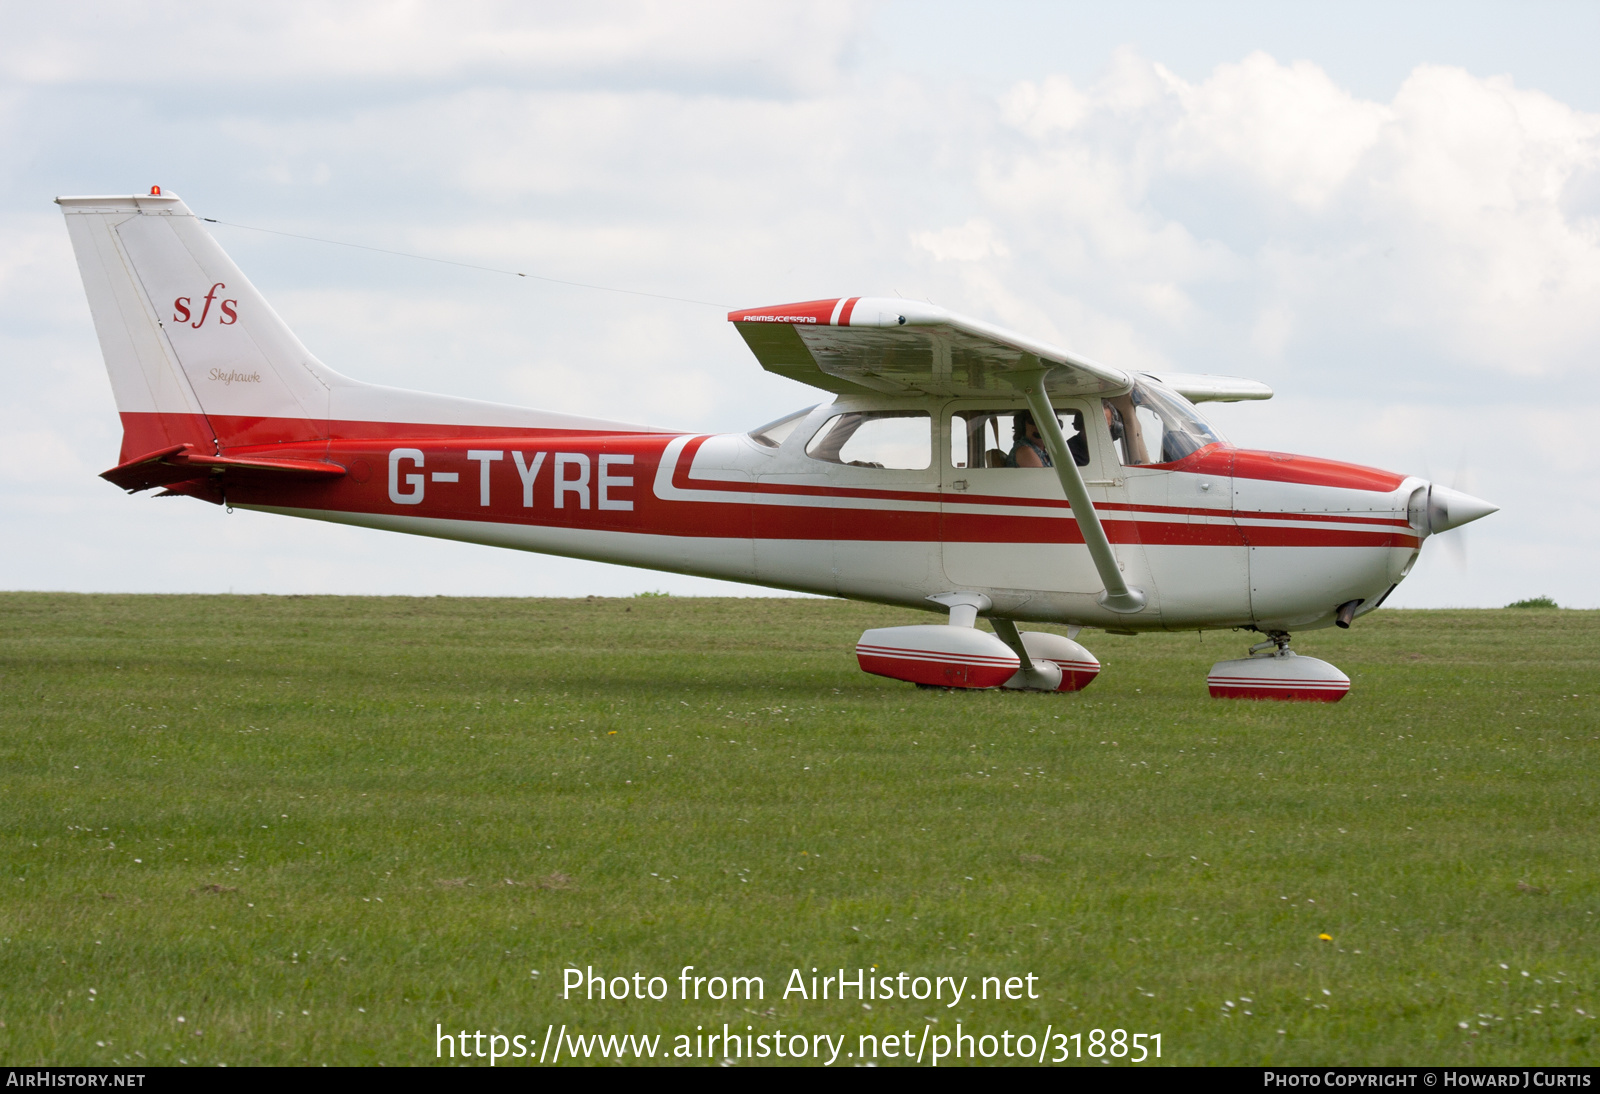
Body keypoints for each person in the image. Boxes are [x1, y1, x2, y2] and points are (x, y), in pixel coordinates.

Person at [1008, 410, 1089, 468]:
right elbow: (1044, 482)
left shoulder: (1044, 450)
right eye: (1033, 422)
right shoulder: (1025, 451)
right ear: (1022, 426)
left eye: (1046, 422)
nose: (1040, 428)